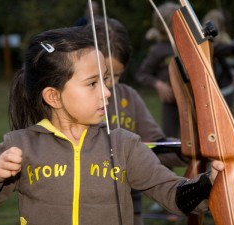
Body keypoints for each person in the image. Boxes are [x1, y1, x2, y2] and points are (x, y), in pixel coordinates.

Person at [0, 26, 234, 225]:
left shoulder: (124, 145)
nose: (107, 92)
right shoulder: (19, 146)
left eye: (106, 80)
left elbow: (175, 195)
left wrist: (212, 184)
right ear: (53, 96)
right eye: (92, 83)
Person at [87, 18, 189, 225]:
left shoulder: (128, 97)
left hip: (128, 208)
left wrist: (190, 150)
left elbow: (156, 145)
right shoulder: (72, 101)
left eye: (116, 76)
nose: (111, 85)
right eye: (102, 76)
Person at [135, 2, 181, 138]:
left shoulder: (188, 45)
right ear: (167, 26)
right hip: (171, 101)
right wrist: (158, 84)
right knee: (170, 137)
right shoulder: (158, 49)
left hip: (195, 99)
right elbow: (142, 74)